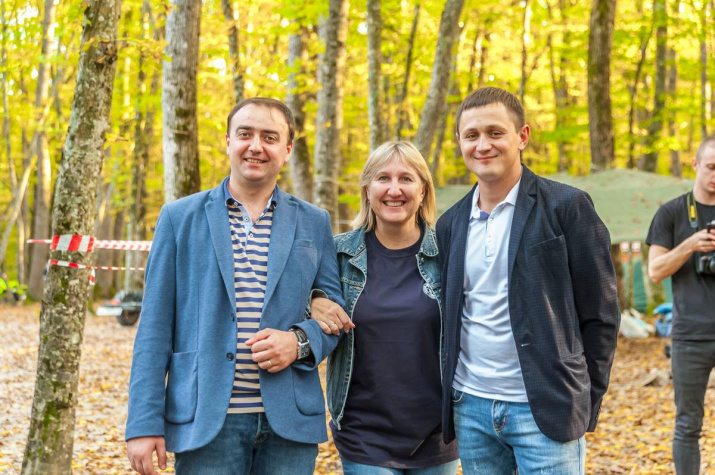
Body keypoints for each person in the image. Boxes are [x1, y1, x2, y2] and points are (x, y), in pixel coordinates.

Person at [125, 97, 345, 475]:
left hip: (289, 424)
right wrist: (143, 423)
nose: (256, 146)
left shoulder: (314, 222)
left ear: (287, 150)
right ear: (228, 142)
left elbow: (334, 316)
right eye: (245, 134)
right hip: (206, 422)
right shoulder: (179, 218)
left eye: (270, 137)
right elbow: (154, 328)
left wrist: (298, 342)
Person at [436, 87, 620, 474]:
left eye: (495, 132)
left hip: (546, 407)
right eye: (471, 135)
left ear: (522, 136)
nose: (483, 145)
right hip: (470, 407)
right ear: (459, 142)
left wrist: (584, 399)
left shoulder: (567, 206)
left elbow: (601, 313)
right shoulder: (450, 223)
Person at [310, 141, 460, 475]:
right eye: (383, 178)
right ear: (367, 189)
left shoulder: (449, 253)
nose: (394, 189)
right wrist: (314, 300)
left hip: (437, 435)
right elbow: (293, 300)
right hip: (364, 435)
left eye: (406, 178)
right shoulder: (337, 254)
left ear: (423, 190)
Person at [646, 135, 715, 475]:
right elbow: (655, 270)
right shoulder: (672, 212)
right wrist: (690, 245)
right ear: (696, 165)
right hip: (690, 337)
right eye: (711, 167)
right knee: (688, 424)